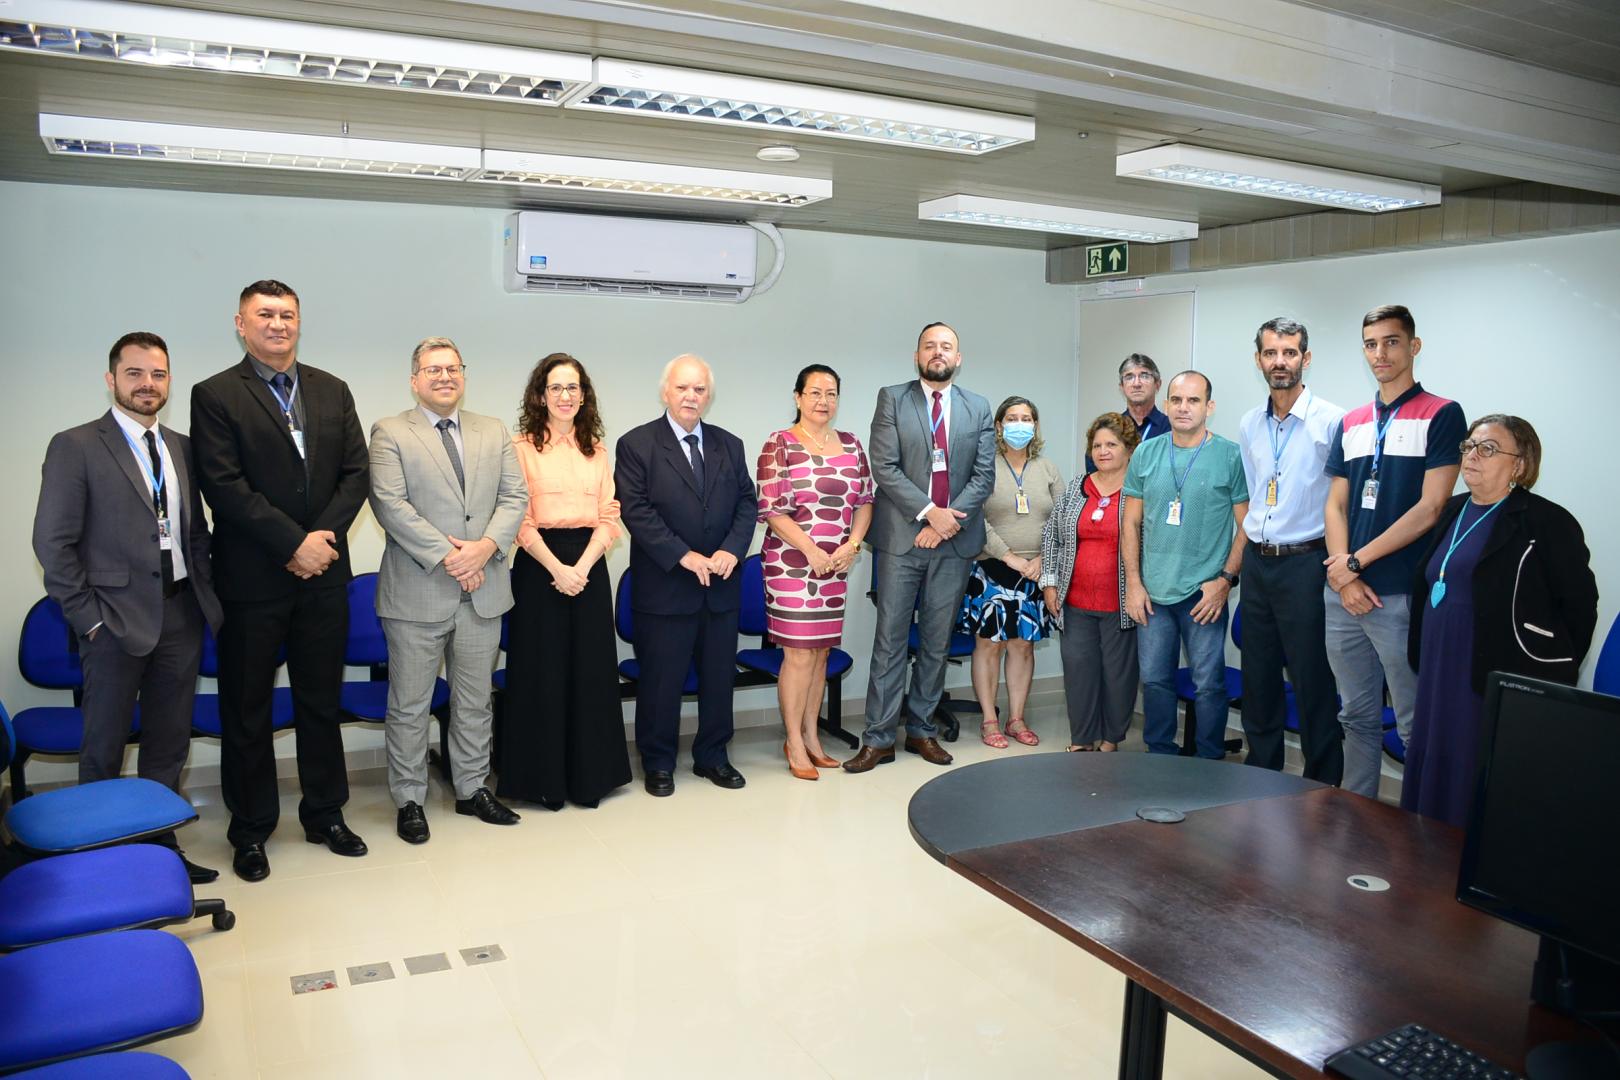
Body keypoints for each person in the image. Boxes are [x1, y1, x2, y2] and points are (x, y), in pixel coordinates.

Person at [190, 280, 370, 882]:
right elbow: (223, 485)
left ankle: (325, 814)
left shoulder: (331, 389)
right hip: (252, 582)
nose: (277, 324)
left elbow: (355, 474)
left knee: (321, 702)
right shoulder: (215, 395)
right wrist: (293, 543)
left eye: (287, 314)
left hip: (323, 579)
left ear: (299, 322)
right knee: (249, 711)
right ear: (240, 324)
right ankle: (250, 830)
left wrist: (316, 543)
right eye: (264, 315)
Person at [33, 331, 225, 884]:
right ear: (111, 378)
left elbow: (193, 534)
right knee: (104, 748)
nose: (147, 384)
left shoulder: (182, 447)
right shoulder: (76, 445)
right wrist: (89, 621)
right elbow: (53, 544)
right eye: (135, 373)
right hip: (111, 624)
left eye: (158, 374)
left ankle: (159, 854)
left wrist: (203, 596)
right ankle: (100, 865)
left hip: (179, 617)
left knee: (168, 746)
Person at [367, 338, 528, 844]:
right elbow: (391, 505)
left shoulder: (493, 430)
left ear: (464, 374)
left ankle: (472, 788)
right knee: (411, 705)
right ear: (414, 378)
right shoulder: (391, 432)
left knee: (475, 701)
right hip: (418, 593)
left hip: (484, 591)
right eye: (432, 369)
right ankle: (410, 798)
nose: (444, 377)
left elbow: (514, 496)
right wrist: (454, 557)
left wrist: (483, 548)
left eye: (452, 368)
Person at [1403, 416, 1597, 827]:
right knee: (1434, 753)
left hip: (1492, 668)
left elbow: (1580, 606)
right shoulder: (1452, 509)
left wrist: (1547, 665)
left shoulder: (1545, 521)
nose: (1472, 456)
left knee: (1473, 767)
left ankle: (1458, 858)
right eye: (1469, 446)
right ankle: (1421, 847)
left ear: (1520, 464)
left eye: (1487, 449)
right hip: (1439, 664)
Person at [1323, 304, 1464, 799]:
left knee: (1412, 723)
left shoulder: (1442, 414)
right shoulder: (1353, 421)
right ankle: (1356, 810)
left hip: (1399, 594)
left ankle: (1418, 828)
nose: (1380, 353)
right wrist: (1343, 575)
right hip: (1343, 594)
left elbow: (1431, 508)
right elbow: (1336, 504)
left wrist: (1358, 563)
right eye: (1370, 344)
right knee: (1355, 715)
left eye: (1391, 342)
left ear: (1413, 347)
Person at [847, 322, 996, 774]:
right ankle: (877, 738)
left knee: (936, 641)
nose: (938, 352)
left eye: (946, 346)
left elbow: (983, 476)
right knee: (890, 641)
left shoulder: (978, 407)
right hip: (902, 540)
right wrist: (931, 513)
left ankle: (921, 730)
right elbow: (885, 468)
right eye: (930, 346)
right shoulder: (892, 398)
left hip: (954, 542)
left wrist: (947, 522)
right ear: (916, 354)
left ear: (959, 356)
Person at [614, 354, 756, 797]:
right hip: (666, 587)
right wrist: (685, 556)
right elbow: (636, 511)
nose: (691, 396)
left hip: (721, 586)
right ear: (665, 392)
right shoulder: (636, 444)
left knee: (718, 678)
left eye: (699, 389)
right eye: (682, 388)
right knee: (661, 682)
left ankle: (713, 756)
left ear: (708, 396)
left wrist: (733, 550)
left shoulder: (728, 445)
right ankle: (658, 762)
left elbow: (746, 504)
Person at [501, 353, 633, 808]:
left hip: (590, 567)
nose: (565, 396)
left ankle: (589, 778)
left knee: (590, 673)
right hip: (540, 570)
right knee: (543, 673)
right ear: (540, 395)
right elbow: (517, 518)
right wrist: (557, 568)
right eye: (555, 387)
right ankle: (544, 782)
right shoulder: (519, 448)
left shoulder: (596, 449)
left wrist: (583, 566)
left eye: (573, 387)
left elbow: (609, 514)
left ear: (584, 396)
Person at [1235, 317, 1346, 782]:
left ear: (1306, 357)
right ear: (1258, 359)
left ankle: (1322, 785)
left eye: (1289, 352)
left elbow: (1341, 503)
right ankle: (1261, 775)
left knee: (1311, 678)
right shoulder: (1248, 423)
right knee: (1258, 679)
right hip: (1258, 564)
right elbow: (1256, 492)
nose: (1280, 362)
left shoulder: (1332, 421)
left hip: (1306, 564)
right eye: (1270, 353)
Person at [756, 364, 873, 779]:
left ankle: (811, 735)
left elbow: (865, 501)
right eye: (815, 393)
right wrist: (811, 551)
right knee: (799, 654)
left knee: (821, 654)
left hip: (837, 564)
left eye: (831, 393)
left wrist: (852, 546)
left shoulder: (853, 444)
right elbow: (772, 509)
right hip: (791, 565)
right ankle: (793, 740)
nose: (823, 401)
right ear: (798, 397)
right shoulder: (780, 444)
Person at [1123, 371, 1249, 758]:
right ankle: (1159, 755)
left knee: (1209, 683)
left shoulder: (1229, 455)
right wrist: (1134, 584)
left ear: (1209, 407)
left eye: (1193, 401)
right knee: (1156, 681)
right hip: (1153, 593)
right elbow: (1129, 521)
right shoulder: (1146, 452)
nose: (1183, 407)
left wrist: (1225, 580)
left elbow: (1249, 525)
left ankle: (1208, 761)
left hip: (1204, 594)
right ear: (1166, 404)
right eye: (1176, 400)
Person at [961, 395, 1064, 748]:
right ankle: (990, 720)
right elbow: (976, 518)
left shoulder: (1047, 468)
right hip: (992, 568)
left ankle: (1016, 718)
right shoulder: (984, 466)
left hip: (1036, 572)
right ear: (999, 425)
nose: (1020, 424)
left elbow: (1063, 519)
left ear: (1035, 425)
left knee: (1023, 647)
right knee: (989, 646)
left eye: (1027, 418)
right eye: (1012, 417)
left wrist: (1043, 561)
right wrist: (1009, 557)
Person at [1041, 413, 1139, 752]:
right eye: (1097, 445)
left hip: (1121, 603)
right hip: (1075, 600)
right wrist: (1050, 583)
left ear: (1129, 449)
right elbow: (1052, 536)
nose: (1103, 451)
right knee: (1079, 671)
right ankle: (1082, 738)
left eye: (1112, 444)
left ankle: (1111, 738)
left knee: (1118, 676)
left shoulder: (1138, 490)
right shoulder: (1076, 487)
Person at [1088, 353, 1168, 472]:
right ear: (1121, 386)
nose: (1136, 384)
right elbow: (1094, 473)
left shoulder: (1170, 428)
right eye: (1129, 377)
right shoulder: (1107, 428)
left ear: (1158, 384)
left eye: (1144, 376)